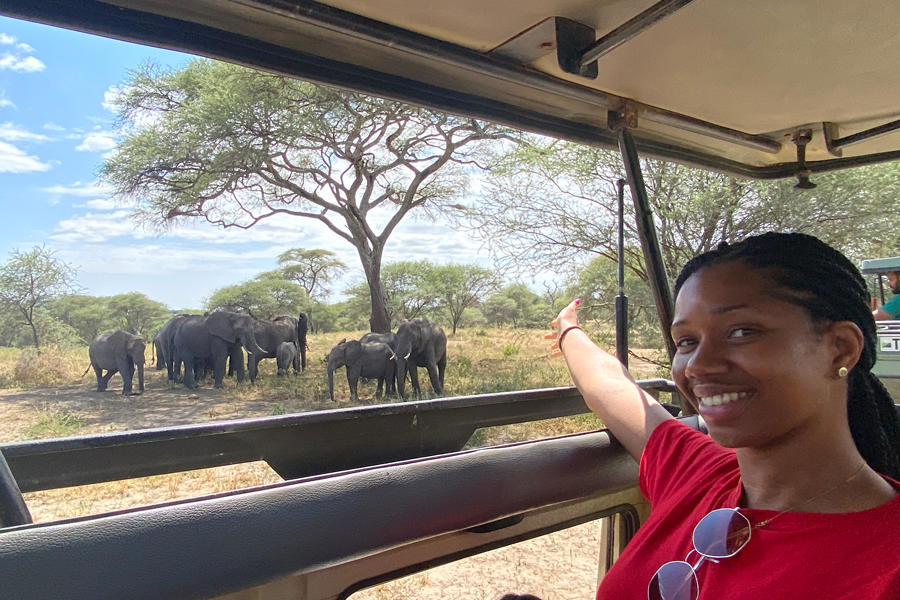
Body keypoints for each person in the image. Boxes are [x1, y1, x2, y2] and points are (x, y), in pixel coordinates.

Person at [546, 232, 899, 600]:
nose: (697, 366)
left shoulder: (887, 566)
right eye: (687, 341)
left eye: (741, 332)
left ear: (841, 349)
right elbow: (608, 385)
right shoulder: (698, 473)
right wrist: (568, 329)